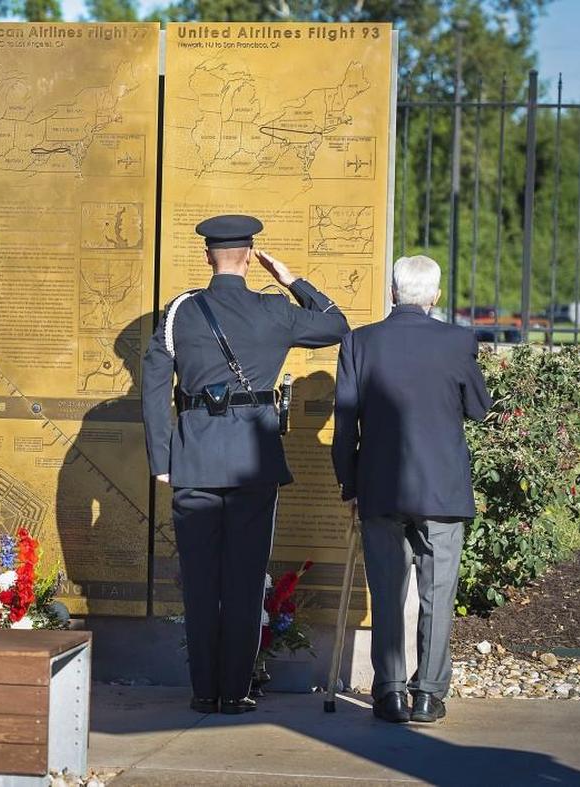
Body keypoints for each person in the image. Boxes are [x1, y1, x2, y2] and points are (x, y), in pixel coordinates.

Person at [142, 214, 349, 714]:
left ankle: (203, 692)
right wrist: (292, 279)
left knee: (199, 583)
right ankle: (235, 692)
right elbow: (337, 324)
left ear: (207, 256)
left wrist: (161, 458)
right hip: (253, 465)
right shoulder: (274, 310)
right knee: (245, 580)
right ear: (251, 256)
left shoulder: (179, 312)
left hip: (194, 460)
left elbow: (153, 385)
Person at [332, 254, 492, 724]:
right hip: (441, 488)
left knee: (385, 592)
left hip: (379, 487)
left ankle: (390, 693)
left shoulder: (359, 341)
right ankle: (428, 695)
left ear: (393, 293)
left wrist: (349, 483)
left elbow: (345, 425)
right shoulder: (458, 341)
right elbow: (478, 408)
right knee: (437, 595)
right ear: (436, 296)